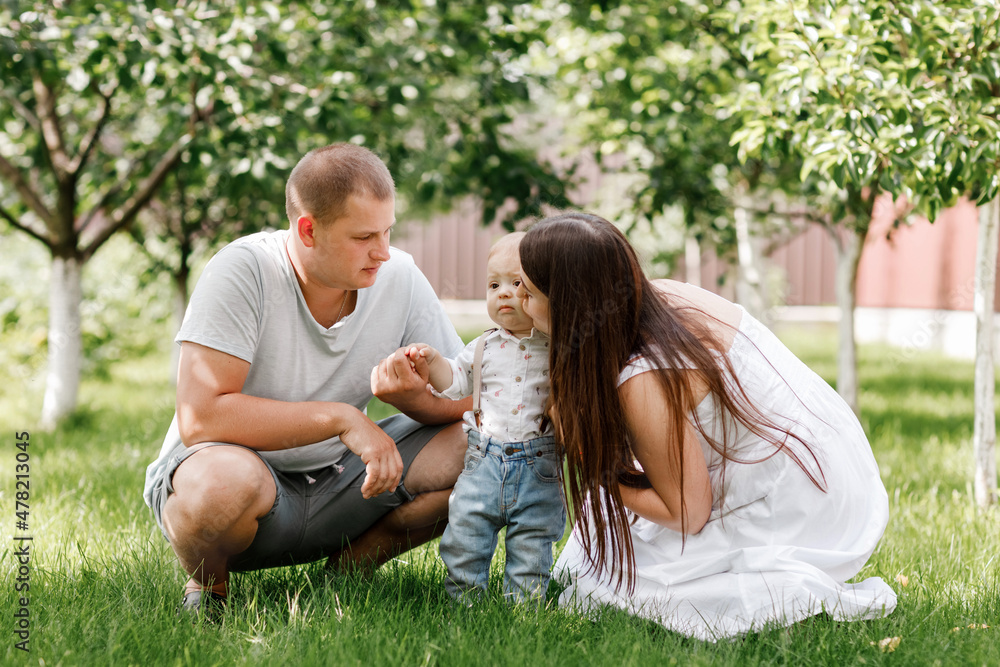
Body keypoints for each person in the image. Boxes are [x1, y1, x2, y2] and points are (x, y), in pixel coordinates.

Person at [515, 211, 897, 640]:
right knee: (586, 553)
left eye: (527, 292)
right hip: (828, 450)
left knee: (605, 581)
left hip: (803, 500)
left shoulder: (640, 380)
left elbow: (687, 514)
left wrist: (589, 459)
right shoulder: (653, 298)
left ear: (568, 303)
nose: (518, 302)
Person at [142, 143, 469, 617]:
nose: (382, 251)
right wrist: (342, 419)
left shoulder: (397, 274)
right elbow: (202, 416)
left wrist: (416, 400)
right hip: (243, 480)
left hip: (346, 483)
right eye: (363, 237)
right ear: (308, 230)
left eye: (387, 231)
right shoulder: (243, 269)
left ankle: (348, 572)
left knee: (490, 445)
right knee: (220, 486)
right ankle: (209, 588)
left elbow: (468, 394)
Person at [401, 233, 565, 603]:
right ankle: (464, 599)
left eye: (517, 284)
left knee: (533, 541)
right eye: (494, 285)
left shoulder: (557, 347)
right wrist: (434, 364)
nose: (503, 293)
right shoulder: (483, 346)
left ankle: (524, 605)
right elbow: (456, 383)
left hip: (540, 464)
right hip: (484, 461)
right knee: (466, 533)